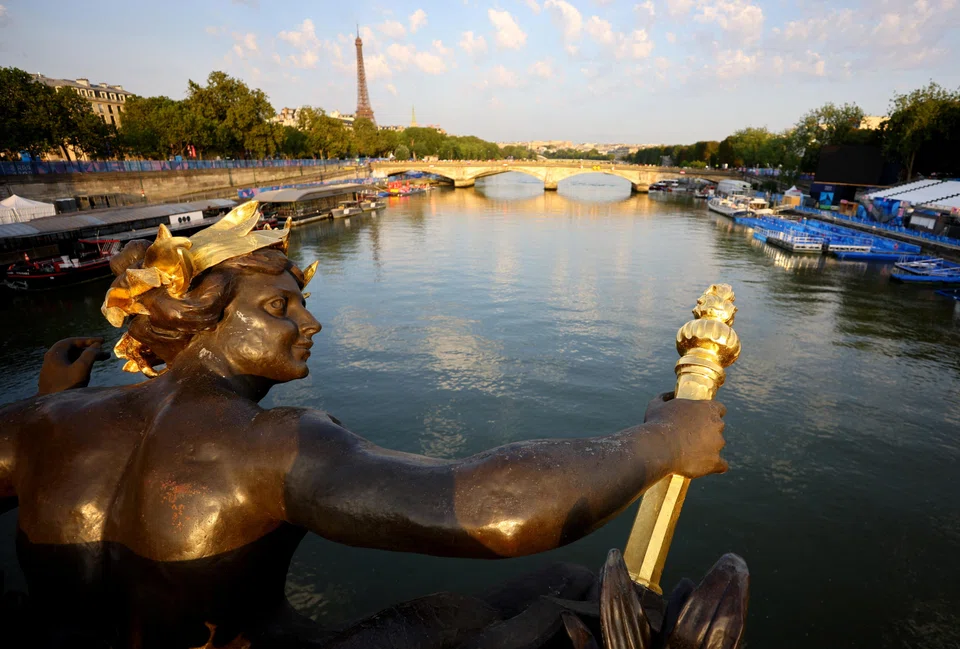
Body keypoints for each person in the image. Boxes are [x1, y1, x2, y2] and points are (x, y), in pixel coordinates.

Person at [0, 203, 727, 649]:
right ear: (203, 319)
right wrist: (661, 440)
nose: (311, 320)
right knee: (556, 589)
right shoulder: (272, 443)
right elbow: (490, 510)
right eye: (280, 307)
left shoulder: (47, 421)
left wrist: (54, 400)